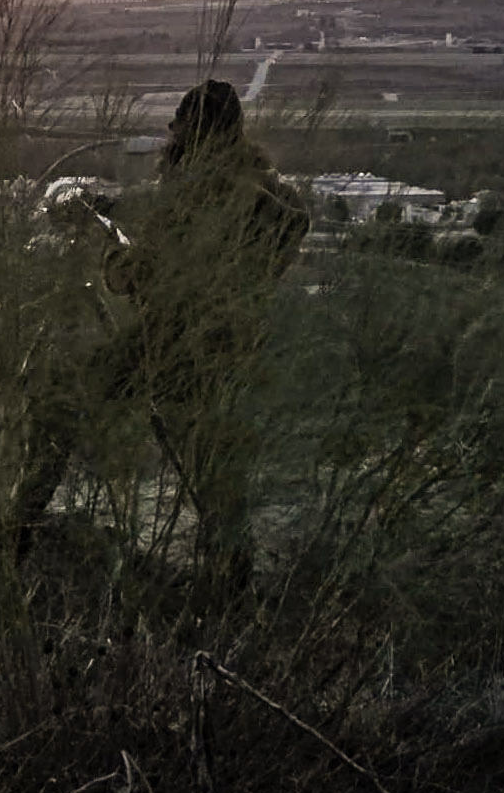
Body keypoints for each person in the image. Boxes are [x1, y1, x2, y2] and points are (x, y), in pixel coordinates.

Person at [16, 79, 308, 570]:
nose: (172, 135)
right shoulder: (266, 193)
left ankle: (14, 530)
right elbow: (289, 223)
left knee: (58, 401)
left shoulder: (198, 199)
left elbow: (131, 277)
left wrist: (117, 252)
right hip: (235, 347)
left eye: (181, 127)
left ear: (194, 134)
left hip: (173, 345)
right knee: (214, 464)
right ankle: (230, 569)